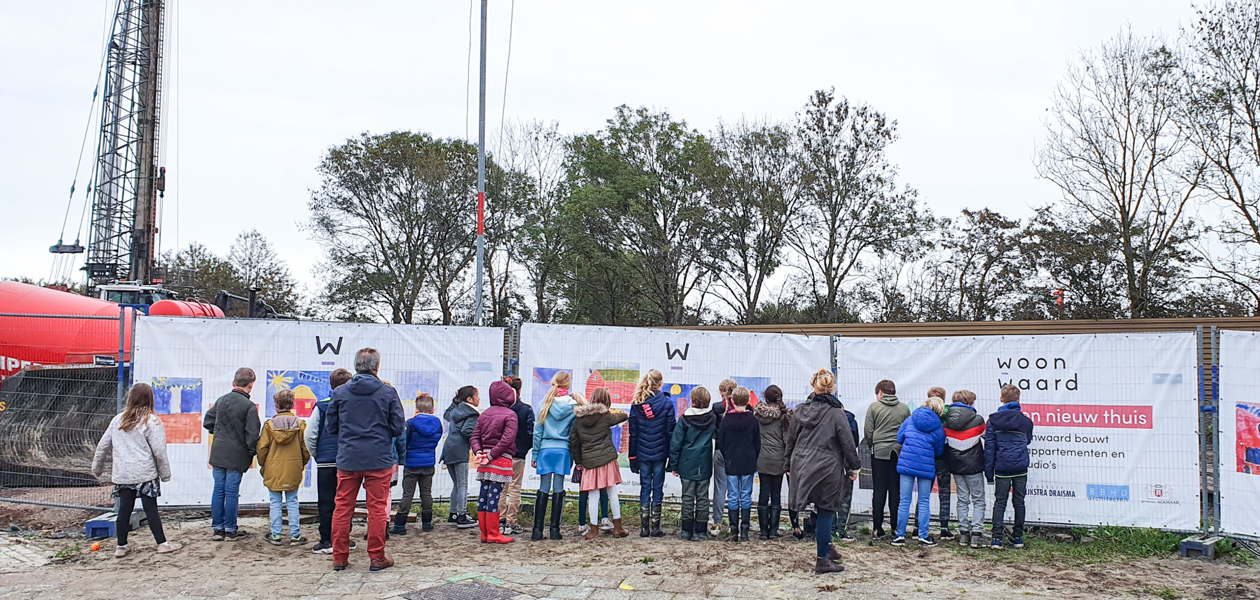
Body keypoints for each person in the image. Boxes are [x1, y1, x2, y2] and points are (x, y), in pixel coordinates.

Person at [327, 348, 406, 572]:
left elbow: (331, 427)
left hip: (348, 457)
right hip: (378, 458)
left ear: (355, 366)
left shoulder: (340, 392)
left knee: (342, 508)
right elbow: (398, 427)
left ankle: (339, 557)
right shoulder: (387, 392)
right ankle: (376, 557)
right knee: (378, 509)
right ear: (376, 367)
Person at [91, 383, 180, 557]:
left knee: (124, 509)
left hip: (123, 473)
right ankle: (162, 543)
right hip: (144, 472)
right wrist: (165, 474)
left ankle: (121, 546)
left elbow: (103, 446)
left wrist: (97, 469)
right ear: (150, 398)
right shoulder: (152, 421)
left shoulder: (118, 420)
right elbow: (159, 451)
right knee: (150, 509)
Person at [786, 370, 860, 575]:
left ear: (813, 386)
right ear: (832, 388)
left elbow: (790, 440)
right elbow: (847, 442)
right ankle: (822, 559)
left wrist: (788, 465)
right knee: (826, 509)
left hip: (802, 465)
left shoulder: (800, 411)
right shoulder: (836, 413)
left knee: (820, 509)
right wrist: (853, 466)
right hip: (828, 467)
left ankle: (826, 546)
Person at [203, 367, 261, 541]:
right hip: (237, 454)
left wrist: (220, 434)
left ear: (233, 383)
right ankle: (230, 529)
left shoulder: (221, 401)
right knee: (231, 492)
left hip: (219, 452)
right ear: (251, 385)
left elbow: (208, 422)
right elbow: (252, 435)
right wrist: (252, 452)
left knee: (218, 490)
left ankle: (217, 529)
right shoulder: (249, 406)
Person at [571, 387, 630, 539]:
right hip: (607, 460)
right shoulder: (606, 416)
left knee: (593, 495)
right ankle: (618, 528)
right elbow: (621, 418)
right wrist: (626, 413)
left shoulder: (578, 418)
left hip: (589, 463)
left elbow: (574, 443)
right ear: (606, 401)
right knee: (612, 492)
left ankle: (594, 530)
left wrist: (579, 462)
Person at [306, 369, 354, 553]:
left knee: (326, 501)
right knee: (346, 501)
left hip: (326, 461)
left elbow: (310, 434)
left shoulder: (321, 406)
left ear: (331, 384)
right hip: (347, 461)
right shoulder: (353, 405)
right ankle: (344, 539)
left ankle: (326, 539)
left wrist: (316, 455)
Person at [258, 389, 310, 546]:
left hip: (273, 467)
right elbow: (305, 449)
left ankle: (276, 535)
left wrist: (264, 465)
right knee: (293, 501)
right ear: (293, 404)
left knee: (275, 502)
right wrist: (301, 463)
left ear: (276, 405)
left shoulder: (269, 425)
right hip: (293, 467)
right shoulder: (300, 425)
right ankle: (295, 536)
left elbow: (261, 449)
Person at [469, 380, 519, 544]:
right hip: (500, 459)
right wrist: (492, 455)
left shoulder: (484, 414)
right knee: (494, 496)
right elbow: (507, 439)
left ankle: (484, 533)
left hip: (484, 460)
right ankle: (493, 532)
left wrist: (479, 452)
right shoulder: (510, 415)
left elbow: (475, 436)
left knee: (484, 494)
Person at [531, 372, 579, 541]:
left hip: (545, 449)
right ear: (568, 385)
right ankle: (554, 530)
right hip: (563, 450)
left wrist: (535, 454)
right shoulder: (573, 406)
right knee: (558, 488)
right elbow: (574, 434)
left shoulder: (544, 403)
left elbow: (538, 431)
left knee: (543, 488)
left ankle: (537, 530)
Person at [986, 384, 1034, 550]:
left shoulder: (992, 421)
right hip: (1020, 466)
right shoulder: (1026, 421)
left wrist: (989, 473)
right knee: (1019, 502)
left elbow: (989, 448)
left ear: (1001, 399)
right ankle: (1018, 538)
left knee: (1000, 502)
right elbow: (1027, 440)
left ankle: (996, 539)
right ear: (1018, 400)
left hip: (1001, 468)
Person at [893, 396, 946, 547]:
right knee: (923, 501)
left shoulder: (910, 419)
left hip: (906, 464)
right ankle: (923, 535)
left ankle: (899, 535)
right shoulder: (938, 427)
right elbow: (939, 450)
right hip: (926, 465)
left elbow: (899, 438)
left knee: (904, 500)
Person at [628, 369, 675, 538]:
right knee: (657, 488)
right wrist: (672, 456)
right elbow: (671, 432)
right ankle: (655, 528)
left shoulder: (637, 402)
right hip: (661, 453)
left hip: (642, 452)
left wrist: (632, 456)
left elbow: (633, 434)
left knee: (645, 488)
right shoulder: (667, 403)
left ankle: (644, 528)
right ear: (661, 383)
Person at [668, 386, 717, 541]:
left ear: (693, 401)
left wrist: (673, 465)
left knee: (687, 497)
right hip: (704, 463)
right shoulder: (713, 419)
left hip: (686, 463)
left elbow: (676, 443)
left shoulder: (684, 419)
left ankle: (686, 531)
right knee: (703, 497)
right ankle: (701, 531)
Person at [864, 379, 909, 540]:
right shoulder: (904, 408)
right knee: (896, 491)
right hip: (898, 453)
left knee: (879, 491)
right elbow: (907, 430)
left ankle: (877, 528)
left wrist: (874, 445)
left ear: (880, 392)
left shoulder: (874, 407)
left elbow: (868, 431)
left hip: (879, 454)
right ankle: (896, 528)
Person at [392, 393, 443, 535]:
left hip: (411, 463)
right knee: (426, 493)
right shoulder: (437, 424)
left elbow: (404, 441)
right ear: (433, 410)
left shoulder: (410, 424)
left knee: (407, 494)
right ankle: (427, 523)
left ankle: (400, 525)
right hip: (428, 462)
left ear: (416, 409)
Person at [944, 389, 986, 548]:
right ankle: (976, 535)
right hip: (974, 466)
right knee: (978, 500)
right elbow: (987, 437)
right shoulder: (978, 420)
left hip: (956, 466)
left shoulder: (946, 421)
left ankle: (963, 535)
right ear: (970, 403)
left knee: (962, 500)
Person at [718, 386, 760, 543]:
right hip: (748, 461)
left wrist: (728, 455)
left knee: (733, 495)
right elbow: (757, 443)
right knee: (746, 495)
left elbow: (720, 443)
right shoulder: (753, 421)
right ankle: (745, 531)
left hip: (731, 462)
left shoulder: (726, 420)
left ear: (732, 401)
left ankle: (733, 530)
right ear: (748, 401)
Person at [441, 386, 480, 529]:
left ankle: (453, 514)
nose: (479, 399)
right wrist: (477, 442)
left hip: (448, 449)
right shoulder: (472, 414)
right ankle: (462, 516)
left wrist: (455, 401)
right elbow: (468, 431)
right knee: (463, 484)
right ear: (470, 399)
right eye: (477, 396)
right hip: (460, 450)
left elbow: (446, 415)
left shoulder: (454, 411)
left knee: (456, 484)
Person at [754, 385, 790, 540]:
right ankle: (773, 531)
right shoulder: (785, 417)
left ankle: (763, 532)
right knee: (776, 494)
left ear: (766, 399)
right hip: (779, 459)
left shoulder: (758, 416)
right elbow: (788, 440)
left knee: (763, 492)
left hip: (762, 458)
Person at [499, 376, 533, 536]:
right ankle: (511, 522)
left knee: (501, 488)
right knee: (515, 488)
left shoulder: (498, 409)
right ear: (519, 391)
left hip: (500, 454)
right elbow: (530, 433)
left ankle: (500, 520)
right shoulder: (526, 409)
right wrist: (524, 448)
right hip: (518, 454)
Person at [708, 378, 736, 537]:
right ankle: (735, 524)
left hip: (720, 450)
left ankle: (717, 522)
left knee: (720, 487)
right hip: (738, 453)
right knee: (737, 488)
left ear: (720, 392)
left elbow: (713, 431)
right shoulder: (746, 408)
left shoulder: (717, 408)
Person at [927, 387, 953, 540]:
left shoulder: (921, 414)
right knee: (944, 491)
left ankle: (917, 526)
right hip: (943, 456)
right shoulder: (948, 415)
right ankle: (944, 527)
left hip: (927, 457)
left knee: (924, 493)